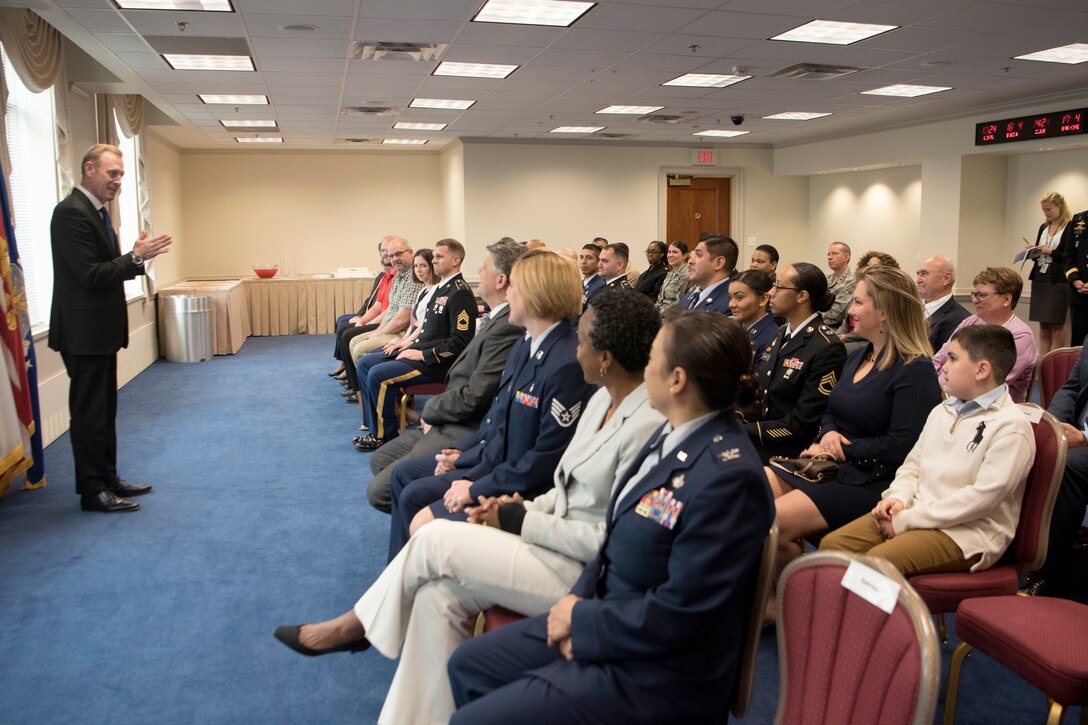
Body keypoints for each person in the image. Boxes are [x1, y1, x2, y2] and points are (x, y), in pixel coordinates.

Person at [272, 290, 664, 725]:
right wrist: (515, 507)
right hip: (549, 540)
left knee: (434, 539)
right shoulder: (601, 401)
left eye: (583, 340)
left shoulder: (647, 425)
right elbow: (563, 489)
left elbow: (610, 538)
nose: (575, 348)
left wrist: (521, 520)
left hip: (581, 574)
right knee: (436, 598)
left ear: (606, 357)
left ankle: (356, 625)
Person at [444, 311, 774, 725]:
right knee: (468, 664)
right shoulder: (672, 433)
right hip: (612, 617)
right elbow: (614, 539)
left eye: (652, 359)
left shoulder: (729, 480)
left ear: (677, 380)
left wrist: (582, 623)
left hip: (656, 674)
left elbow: (684, 617)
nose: (643, 368)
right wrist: (574, 601)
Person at [385, 249, 595, 559]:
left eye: (514, 286)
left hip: (521, 490)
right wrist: (463, 456)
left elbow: (544, 461)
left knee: (417, 502)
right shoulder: (527, 344)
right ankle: (400, 586)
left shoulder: (565, 363)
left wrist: (474, 486)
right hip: (493, 463)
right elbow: (499, 422)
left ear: (536, 295)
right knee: (404, 478)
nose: (507, 292)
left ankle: (404, 588)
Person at [764, 265, 941, 588]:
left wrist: (840, 449)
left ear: (885, 311)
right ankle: (783, 592)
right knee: (752, 492)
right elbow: (831, 411)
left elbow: (902, 446)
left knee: (771, 519)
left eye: (859, 303)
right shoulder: (857, 356)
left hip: (873, 480)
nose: (850, 310)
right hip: (830, 465)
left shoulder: (915, 369)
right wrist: (829, 434)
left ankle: (779, 600)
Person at [821, 325, 1034, 576]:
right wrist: (897, 499)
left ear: (982, 369)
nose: (944, 366)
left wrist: (906, 520)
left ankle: (867, 614)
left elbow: (980, 501)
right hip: (914, 512)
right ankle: (838, 613)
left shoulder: (1011, 427)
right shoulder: (943, 410)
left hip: (967, 533)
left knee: (875, 565)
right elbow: (912, 465)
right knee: (832, 548)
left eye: (953, 359)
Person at [49, 144, 172, 512]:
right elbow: (90, 276)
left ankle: (108, 477)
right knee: (89, 414)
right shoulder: (72, 213)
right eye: (112, 173)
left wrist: (132, 256)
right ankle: (92, 491)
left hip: (98, 333)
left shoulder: (96, 212)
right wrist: (136, 258)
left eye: (121, 174)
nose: (118, 181)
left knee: (104, 410)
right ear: (89, 170)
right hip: (83, 334)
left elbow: (105, 268)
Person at [365, 240, 527, 512]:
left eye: (484, 266)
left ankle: (426, 518)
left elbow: (471, 377)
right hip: (449, 406)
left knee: (383, 488)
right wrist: (410, 345)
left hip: (462, 421)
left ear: (500, 280)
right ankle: (418, 517)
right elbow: (423, 328)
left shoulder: (493, 315)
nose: (478, 269)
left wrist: (432, 410)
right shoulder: (480, 310)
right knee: (380, 461)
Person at [354, 239, 477, 451]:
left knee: (378, 376)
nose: (434, 260)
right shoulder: (441, 289)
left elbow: (460, 342)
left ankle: (384, 436)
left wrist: (422, 355)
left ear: (456, 261)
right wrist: (405, 344)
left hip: (437, 363)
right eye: (434, 256)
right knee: (366, 363)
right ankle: (374, 424)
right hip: (420, 351)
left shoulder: (460, 293)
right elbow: (423, 328)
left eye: (439, 257)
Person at [741, 262, 846, 462]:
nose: (771, 292)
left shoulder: (826, 346)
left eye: (779, 287)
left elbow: (802, 424)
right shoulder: (782, 333)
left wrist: (741, 430)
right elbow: (763, 394)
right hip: (761, 434)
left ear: (802, 296)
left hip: (792, 448)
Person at [349, 247, 438, 431]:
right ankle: (371, 416)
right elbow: (414, 323)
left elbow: (422, 327)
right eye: (416, 267)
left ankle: (390, 421)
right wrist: (402, 341)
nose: (419, 270)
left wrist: (405, 343)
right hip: (409, 339)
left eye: (423, 266)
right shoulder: (423, 291)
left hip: (424, 351)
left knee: (372, 366)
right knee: (365, 360)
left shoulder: (438, 293)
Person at [1031, 338, 1088, 601]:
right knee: (1028, 447)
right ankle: (1022, 554)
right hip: (1076, 432)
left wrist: (1086, 438)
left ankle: (1050, 575)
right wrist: (1054, 424)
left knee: (1066, 466)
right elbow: (1073, 387)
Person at [932, 267, 1037, 403]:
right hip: (948, 397)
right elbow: (940, 357)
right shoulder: (971, 321)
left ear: (1006, 299)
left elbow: (990, 384)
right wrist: (931, 385)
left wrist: (944, 391)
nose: (975, 300)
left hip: (992, 411)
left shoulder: (1020, 335)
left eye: (982, 295)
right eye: (974, 294)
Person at [341, 237, 423, 403]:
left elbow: (402, 319)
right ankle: (367, 394)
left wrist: (378, 334)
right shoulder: (399, 275)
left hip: (403, 333)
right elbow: (390, 311)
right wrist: (377, 332)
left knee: (359, 349)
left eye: (398, 254)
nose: (394, 259)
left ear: (410, 253)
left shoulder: (413, 277)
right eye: (391, 256)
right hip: (393, 328)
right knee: (353, 341)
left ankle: (376, 399)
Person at [329, 238, 394, 378]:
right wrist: (362, 318)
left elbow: (391, 310)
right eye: (383, 251)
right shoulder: (385, 275)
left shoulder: (398, 278)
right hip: (380, 318)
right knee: (343, 323)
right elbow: (373, 302)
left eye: (389, 252)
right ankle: (346, 366)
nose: (386, 255)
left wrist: (368, 323)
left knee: (347, 332)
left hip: (387, 322)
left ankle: (352, 379)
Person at [1026, 192, 1072, 356]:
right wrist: (1033, 250)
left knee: (1056, 324)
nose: (1046, 213)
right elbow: (1039, 254)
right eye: (1044, 210)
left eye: (1049, 209)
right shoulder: (1043, 227)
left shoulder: (1069, 226)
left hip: (1057, 280)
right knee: (1043, 324)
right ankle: (1042, 364)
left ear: (1060, 207)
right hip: (1040, 278)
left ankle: (1054, 362)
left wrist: (1051, 251)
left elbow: (1068, 257)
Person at [916, 255, 970, 353]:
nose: (918, 280)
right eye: (918, 274)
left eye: (924, 274)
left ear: (946, 278)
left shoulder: (960, 320)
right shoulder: (912, 310)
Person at [677, 235, 737, 314]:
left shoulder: (731, 304)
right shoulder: (688, 296)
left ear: (718, 263)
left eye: (698, 255)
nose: (690, 261)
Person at [728, 269, 777, 355]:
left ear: (763, 299)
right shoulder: (733, 329)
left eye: (739, 297)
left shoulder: (772, 336)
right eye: (730, 298)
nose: (731, 304)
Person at [1062, 206, 1088, 345]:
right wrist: (1075, 279)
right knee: (1079, 343)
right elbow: (1068, 256)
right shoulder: (1078, 219)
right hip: (1080, 295)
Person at [824, 241, 855, 329]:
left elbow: (835, 315)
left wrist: (809, 319)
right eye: (828, 254)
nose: (829, 257)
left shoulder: (852, 280)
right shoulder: (827, 279)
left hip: (835, 327)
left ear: (846, 257)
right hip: (818, 321)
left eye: (834, 253)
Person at [654, 240, 691, 312]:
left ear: (685, 256)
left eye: (675, 252)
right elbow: (660, 300)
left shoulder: (687, 275)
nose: (670, 255)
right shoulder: (670, 274)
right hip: (659, 314)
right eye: (669, 252)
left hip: (671, 316)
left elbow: (678, 304)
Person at [577, 243, 603, 312]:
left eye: (589, 258)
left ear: (599, 262)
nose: (583, 262)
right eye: (581, 257)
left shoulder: (601, 285)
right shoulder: (579, 284)